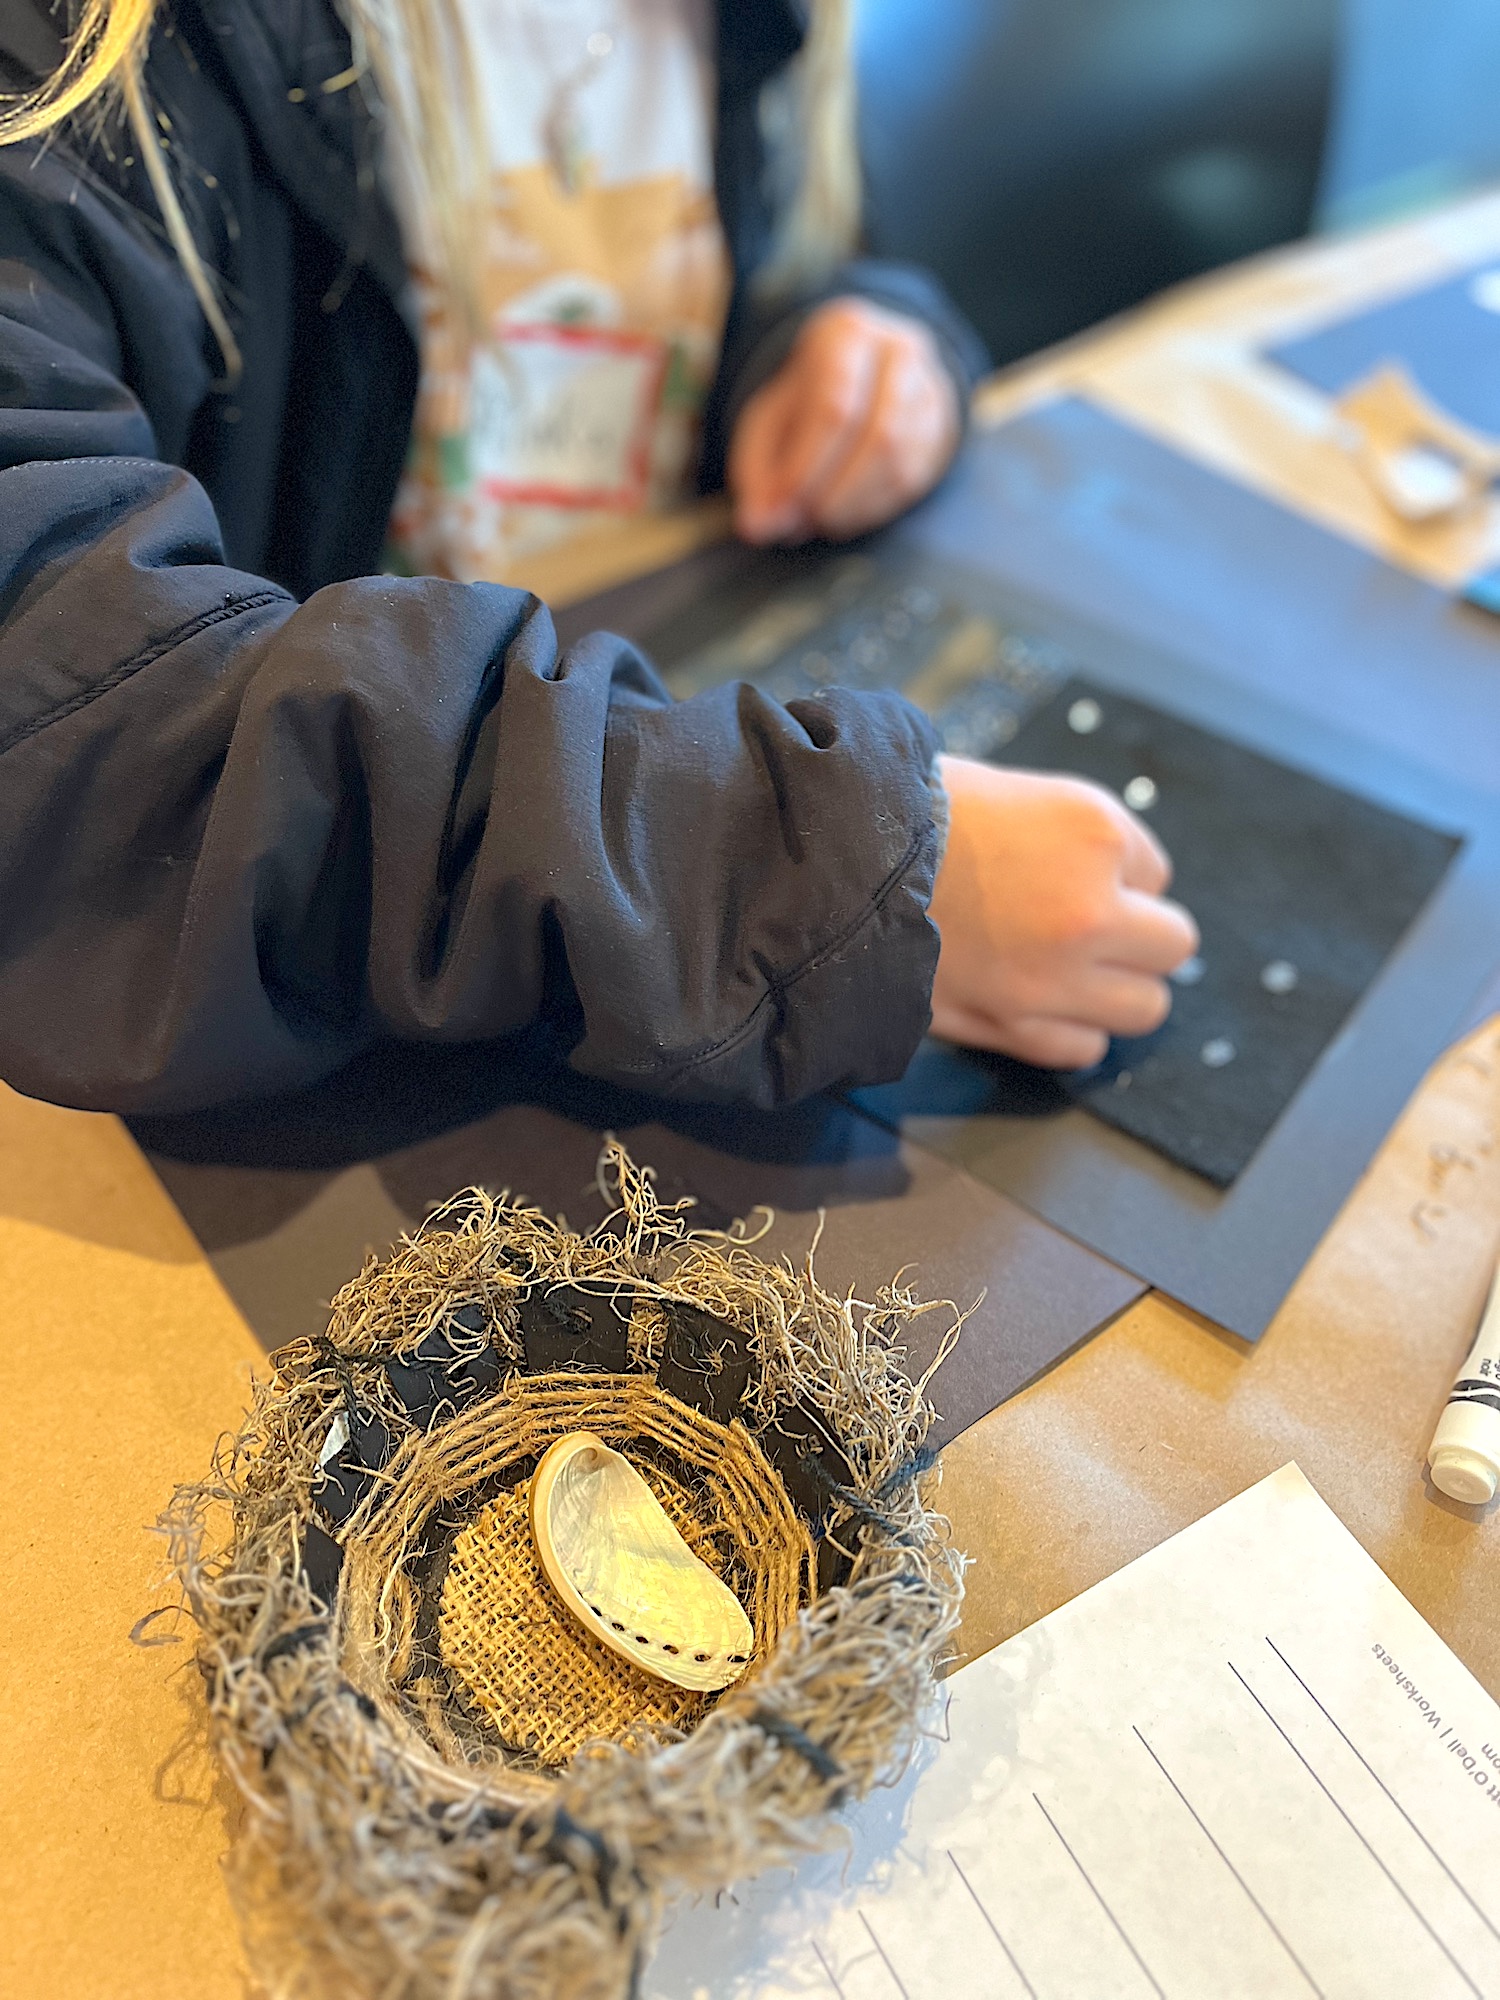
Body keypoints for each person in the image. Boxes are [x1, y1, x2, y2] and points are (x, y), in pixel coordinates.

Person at [0, 0, 1197, 1117]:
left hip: (619, 737)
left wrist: (852, 333)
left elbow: (754, 272)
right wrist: (797, 872)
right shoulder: (67, 58)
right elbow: (72, 721)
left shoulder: (745, 27)